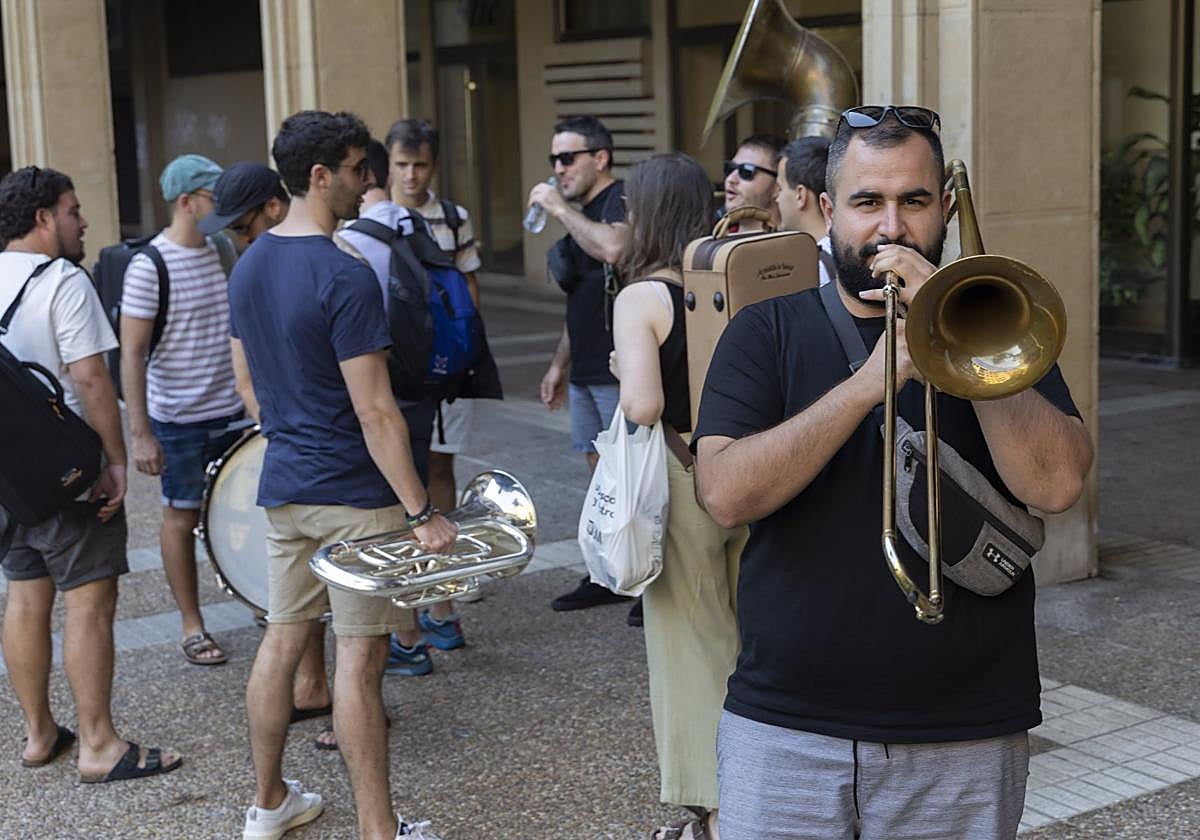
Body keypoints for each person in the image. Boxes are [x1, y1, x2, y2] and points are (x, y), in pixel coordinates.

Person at [692, 106, 1094, 840]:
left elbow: (1058, 486)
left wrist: (960, 343)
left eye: (912, 201)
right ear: (824, 210)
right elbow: (723, 494)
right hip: (787, 726)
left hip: (966, 727)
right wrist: (867, 382)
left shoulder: (998, 330)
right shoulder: (768, 330)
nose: (891, 228)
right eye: (867, 202)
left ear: (944, 207)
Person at [229, 110, 454, 840]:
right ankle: (378, 831)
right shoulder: (344, 272)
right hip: (356, 497)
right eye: (361, 169)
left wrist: (292, 432)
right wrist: (422, 510)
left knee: (283, 639)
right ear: (319, 175)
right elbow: (377, 412)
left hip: (285, 487)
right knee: (358, 665)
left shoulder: (251, 261)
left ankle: (268, 806)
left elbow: (248, 385)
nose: (373, 182)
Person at [0, 166, 182, 783]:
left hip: (7, 477)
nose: (83, 223)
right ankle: (99, 745)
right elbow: (91, 378)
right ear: (44, 218)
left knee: (24, 592)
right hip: (64, 470)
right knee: (89, 598)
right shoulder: (63, 281)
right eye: (74, 210)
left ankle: (38, 733)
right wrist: (114, 463)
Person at [610, 153, 748, 840]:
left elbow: (642, 405)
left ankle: (723, 812)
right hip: (755, 470)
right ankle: (773, 783)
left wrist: (618, 367)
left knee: (693, 647)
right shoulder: (737, 281)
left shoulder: (642, 297)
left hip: (682, 475)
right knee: (752, 633)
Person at [201, 161, 336, 742]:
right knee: (348, 623)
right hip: (328, 456)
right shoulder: (324, 263)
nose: (239, 241)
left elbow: (247, 382)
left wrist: (280, 430)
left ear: (275, 206)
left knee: (287, 615)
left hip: (286, 456)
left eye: (242, 227)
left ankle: (271, 790)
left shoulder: (250, 274)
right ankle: (331, 700)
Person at [338, 137, 468, 677]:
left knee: (397, 511)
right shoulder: (417, 226)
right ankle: (442, 612)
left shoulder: (350, 240)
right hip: (427, 385)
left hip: (383, 387)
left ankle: (407, 638)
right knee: (429, 490)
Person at [121, 154, 243, 667]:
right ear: (186, 202)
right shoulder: (149, 266)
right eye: (214, 197)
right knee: (180, 514)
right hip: (179, 418)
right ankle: (192, 623)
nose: (222, 208)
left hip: (235, 410)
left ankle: (253, 596)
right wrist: (141, 433)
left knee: (244, 510)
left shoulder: (221, 250)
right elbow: (131, 352)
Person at [528, 115, 634, 615]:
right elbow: (582, 301)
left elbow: (614, 248)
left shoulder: (622, 201)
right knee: (599, 479)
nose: (558, 169)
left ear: (600, 158)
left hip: (621, 365)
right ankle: (609, 574)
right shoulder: (582, 212)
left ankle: (647, 580)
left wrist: (557, 207)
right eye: (553, 160)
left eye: (567, 158)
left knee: (633, 476)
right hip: (587, 367)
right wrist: (557, 365)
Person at [775, 136, 836, 286]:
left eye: (780, 189)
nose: (776, 198)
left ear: (800, 195)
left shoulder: (811, 268)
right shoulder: (849, 252)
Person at [721, 134, 785, 233]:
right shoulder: (716, 237)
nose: (730, 179)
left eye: (746, 171)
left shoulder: (796, 244)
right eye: (730, 168)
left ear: (778, 186)